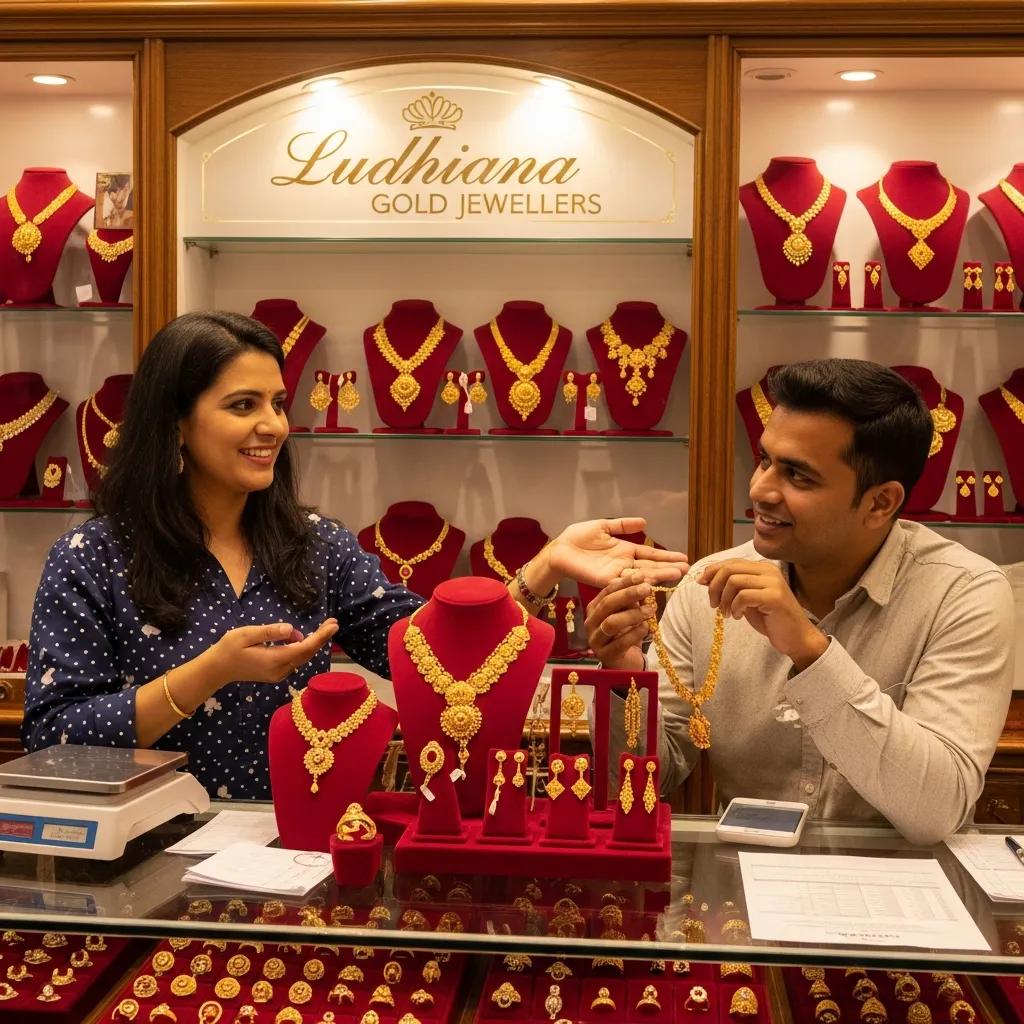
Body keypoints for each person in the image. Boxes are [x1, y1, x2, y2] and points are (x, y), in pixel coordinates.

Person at [22, 311, 686, 799]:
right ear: (175, 421)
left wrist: (544, 567)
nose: (273, 426)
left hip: (297, 849)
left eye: (278, 404)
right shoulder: (92, 557)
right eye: (243, 405)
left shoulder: (316, 546)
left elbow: (434, 657)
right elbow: (51, 737)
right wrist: (208, 674)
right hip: (146, 854)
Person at [585, 358, 1014, 845]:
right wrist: (623, 678)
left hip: (907, 901)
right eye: (766, 460)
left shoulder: (964, 593)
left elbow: (935, 809)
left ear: (881, 503)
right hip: (740, 898)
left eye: (799, 476)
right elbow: (642, 784)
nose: (760, 489)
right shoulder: (707, 587)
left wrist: (812, 653)